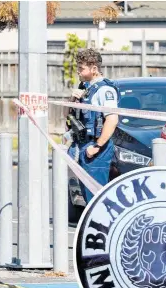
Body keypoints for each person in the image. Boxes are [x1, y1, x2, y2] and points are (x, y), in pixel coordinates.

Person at [67, 48, 120, 203]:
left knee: (96, 196)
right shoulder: (85, 88)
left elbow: (112, 119)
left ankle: (101, 227)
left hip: (96, 148)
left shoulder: (105, 90)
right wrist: (72, 99)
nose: (78, 71)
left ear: (94, 69)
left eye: (81, 68)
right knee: (86, 195)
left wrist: (97, 146)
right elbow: (68, 116)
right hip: (83, 144)